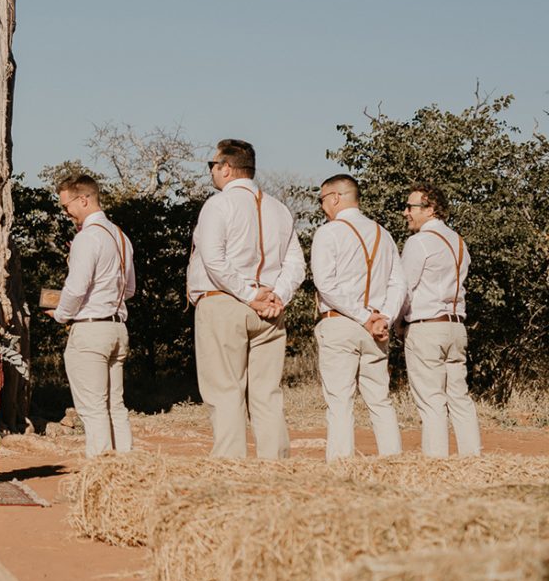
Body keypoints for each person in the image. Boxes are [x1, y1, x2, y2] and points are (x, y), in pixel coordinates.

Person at [186, 139, 305, 459]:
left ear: (226, 167)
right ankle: (276, 465)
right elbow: (296, 263)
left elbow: (214, 259)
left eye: (212, 165)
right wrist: (277, 295)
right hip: (270, 309)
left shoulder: (219, 205)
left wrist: (251, 295)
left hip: (226, 302)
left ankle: (231, 466)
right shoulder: (279, 208)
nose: (211, 171)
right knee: (267, 392)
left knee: (224, 390)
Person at [309, 174, 404, 460]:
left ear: (336, 197)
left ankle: (340, 466)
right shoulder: (383, 234)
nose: (322, 205)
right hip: (376, 329)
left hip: (341, 322)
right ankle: (393, 461)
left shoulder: (329, 232)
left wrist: (365, 317)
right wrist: (384, 317)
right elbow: (398, 283)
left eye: (322, 199)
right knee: (380, 399)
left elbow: (325, 284)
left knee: (340, 400)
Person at [46, 174, 134, 457]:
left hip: (91, 329)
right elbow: (129, 289)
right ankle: (126, 467)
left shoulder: (87, 238)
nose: (66, 213)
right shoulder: (121, 237)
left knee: (93, 409)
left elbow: (75, 288)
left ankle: (100, 473)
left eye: (66, 206)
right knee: (115, 407)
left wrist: (61, 314)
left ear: (83, 199)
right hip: (118, 327)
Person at [400, 181, 481, 457]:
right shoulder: (459, 242)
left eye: (411, 206)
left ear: (431, 209)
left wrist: (397, 323)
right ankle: (473, 459)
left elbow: (404, 288)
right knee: (459, 397)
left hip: (426, 326)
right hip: (456, 326)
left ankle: (436, 463)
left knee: (431, 400)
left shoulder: (419, 242)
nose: (405, 212)